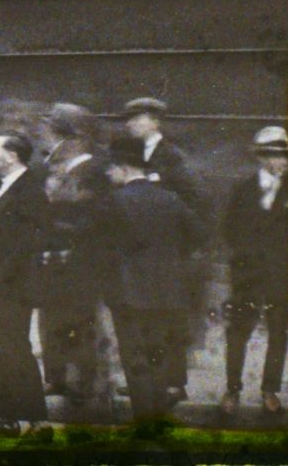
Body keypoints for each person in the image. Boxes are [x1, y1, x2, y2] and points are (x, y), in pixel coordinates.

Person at [99, 132, 202, 428]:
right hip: (168, 290)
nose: (108, 173)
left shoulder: (114, 201)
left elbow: (102, 245)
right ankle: (158, 417)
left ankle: (145, 422)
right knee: (158, 354)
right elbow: (199, 234)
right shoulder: (170, 198)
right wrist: (170, 259)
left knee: (135, 358)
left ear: (124, 168)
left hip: (127, 292)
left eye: (111, 168)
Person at [0, 130, 54, 442]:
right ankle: (6, 418)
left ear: (12, 156)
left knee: (15, 350)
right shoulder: (1, 186)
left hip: (12, 286)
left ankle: (38, 423)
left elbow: (33, 241)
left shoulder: (30, 191)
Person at [121, 96, 202, 403]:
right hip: (140, 252)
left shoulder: (171, 157)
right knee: (143, 318)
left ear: (155, 121)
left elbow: (196, 200)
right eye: (129, 120)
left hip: (167, 253)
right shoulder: (137, 154)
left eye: (138, 118)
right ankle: (147, 380)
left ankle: (174, 384)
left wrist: (180, 246)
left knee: (169, 319)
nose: (131, 124)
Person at [38, 102, 111, 417]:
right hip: (50, 258)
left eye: (54, 133)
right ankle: (54, 377)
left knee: (80, 320)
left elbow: (96, 218)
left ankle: (83, 383)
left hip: (83, 261)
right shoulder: (50, 168)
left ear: (74, 138)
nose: (49, 140)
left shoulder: (97, 171)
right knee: (50, 317)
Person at [218, 126, 288, 418]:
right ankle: (232, 389)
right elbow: (228, 230)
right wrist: (246, 255)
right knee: (238, 331)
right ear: (263, 157)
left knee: (278, 331)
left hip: (280, 273)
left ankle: (269, 390)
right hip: (247, 275)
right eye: (278, 156)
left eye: (287, 158)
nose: (284, 163)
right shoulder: (243, 190)